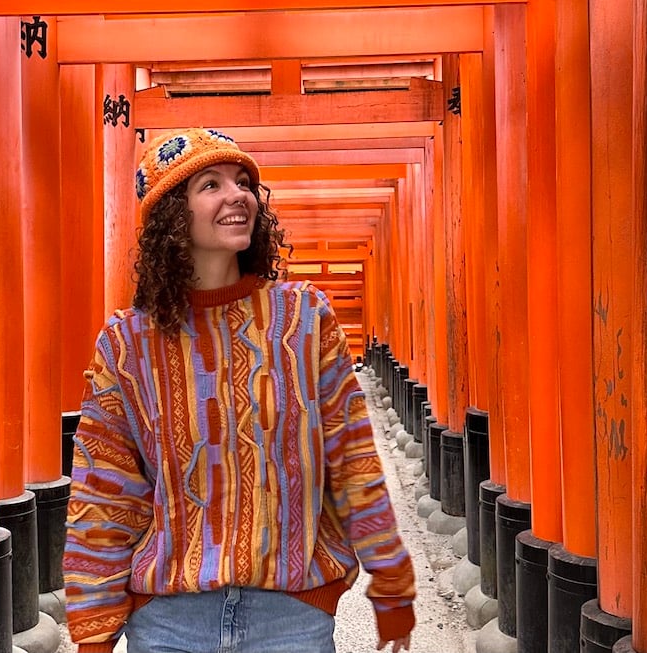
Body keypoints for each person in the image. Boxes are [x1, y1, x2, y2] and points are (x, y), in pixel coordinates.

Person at [63, 127, 416, 653]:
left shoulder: (305, 318)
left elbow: (351, 457)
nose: (237, 196)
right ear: (171, 216)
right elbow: (105, 487)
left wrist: (391, 581)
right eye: (211, 184)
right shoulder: (127, 343)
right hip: (168, 624)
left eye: (244, 181)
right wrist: (94, 628)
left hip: (291, 618)